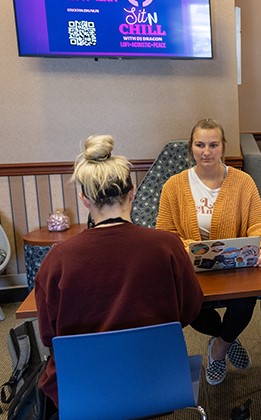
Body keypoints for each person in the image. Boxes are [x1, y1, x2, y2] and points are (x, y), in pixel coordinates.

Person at [35, 135, 204, 412]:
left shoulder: (58, 259)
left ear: (85, 199)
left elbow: (48, 335)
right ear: (132, 192)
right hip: (160, 380)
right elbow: (191, 309)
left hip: (83, 390)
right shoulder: (167, 246)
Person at [157, 118, 261, 385]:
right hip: (192, 270)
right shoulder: (173, 186)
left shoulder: (243, 182)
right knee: (192, 309)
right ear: (191, 147)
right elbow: (165, 235)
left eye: (213, 145)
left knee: (246, 299)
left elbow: (259, 224)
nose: (206, 151)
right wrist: (191, 249)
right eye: (200, 145)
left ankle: (219, 348)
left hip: (236, 269)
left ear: (223, 147)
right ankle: (227, 337)